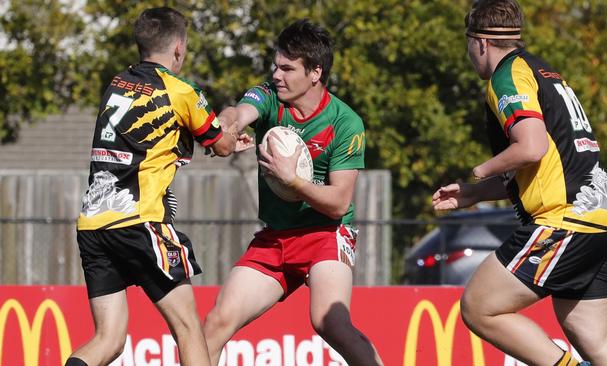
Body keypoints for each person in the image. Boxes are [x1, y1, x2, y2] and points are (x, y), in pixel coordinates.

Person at [432, 1, 607, 365]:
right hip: (605, 221)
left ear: (480, 42)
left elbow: (531, 147)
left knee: (480, 307)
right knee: (596, 339)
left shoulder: (507, 77)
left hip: (567, 221)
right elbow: (545, 165)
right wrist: (475, 193)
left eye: (468, 44)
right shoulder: (545, 72)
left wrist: (481, 170)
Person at [66, 7, 249, 366]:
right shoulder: (180, 92)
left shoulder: (117, 83)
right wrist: (229, 133)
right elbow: (221, 144)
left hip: (93, 224)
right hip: (140, 221)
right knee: (189, 329)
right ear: (179, 48)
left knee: (109, 339)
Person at [202, 19, 384, 366]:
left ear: (315, 72)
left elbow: (338, 202)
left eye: (287, 68)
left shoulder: (345, 122)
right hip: (277, 237)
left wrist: (295, 182)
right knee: (214, 325)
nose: (276, 74)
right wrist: (228, 125)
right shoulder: (270, 98)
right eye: (275, 65)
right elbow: (239, 111)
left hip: (327, 234)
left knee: (330, 323)